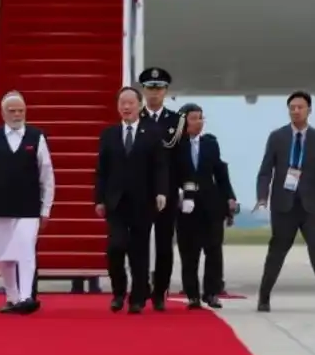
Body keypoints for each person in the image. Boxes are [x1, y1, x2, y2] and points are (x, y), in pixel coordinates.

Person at [0, 92, 54, 314]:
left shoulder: (36, 137)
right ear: (3, 113)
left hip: (28, 206)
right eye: (12, 111)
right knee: (5, 253)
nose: (17, 115)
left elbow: (47, 175)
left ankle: (26, 296)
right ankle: (12, 296)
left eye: (21, 111)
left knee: (25, 249)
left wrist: (46, 208)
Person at [254, 91, 315, 312]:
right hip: (283, 205)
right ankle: (264, 297)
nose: (296, 111)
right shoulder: (277, 137)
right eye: (292, 108)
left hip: (310, 206)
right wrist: (262, 196)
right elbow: (265, 170)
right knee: (276, 252)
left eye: (300, 107)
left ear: (309, 110)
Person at [95, 87, 169, 314]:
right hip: (116, 202)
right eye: (122, 103)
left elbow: (160, 166)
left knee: (139, 251)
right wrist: (99, 199)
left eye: (130, 103)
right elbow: (102, 171)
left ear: (139, 106)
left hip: (142, 202)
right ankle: (119, 292)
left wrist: (161, 192)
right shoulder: (109, 135)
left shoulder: (153, 133)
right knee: (115, 247)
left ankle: (138, 297)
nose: (126, 107)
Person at [168, 103, 235, 309]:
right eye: (194, 118)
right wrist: (178, 195)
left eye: (201, 118)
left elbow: (221, 174)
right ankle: (193, 295)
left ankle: (212, 292)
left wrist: (230, 198)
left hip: (211, 205)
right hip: (185, 207)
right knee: (189, 253)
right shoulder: (174, 146)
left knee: (214, 250)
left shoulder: (210, 144)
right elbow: (169, 174)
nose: (199, 122)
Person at [138, 66, 178, 309]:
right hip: (140, 191)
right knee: (139, 243)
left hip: (168, 192)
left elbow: (181, 158)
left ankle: (160, 291)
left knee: (164, 245)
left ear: (166, 91)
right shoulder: (136, 118)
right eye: (150, 88)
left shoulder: (176, 121)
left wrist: (187, 190)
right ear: (143, 90)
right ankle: (141, 288)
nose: (154, 93)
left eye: (159, 88)